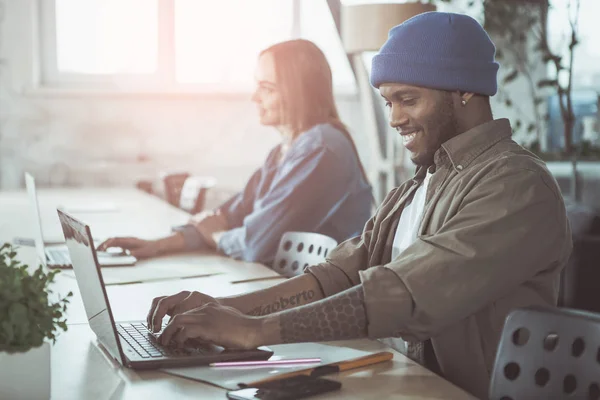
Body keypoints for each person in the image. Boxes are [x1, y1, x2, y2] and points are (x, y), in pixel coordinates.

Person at [143, 12, 572, 398]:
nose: (393, 118)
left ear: (464, 91)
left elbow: (403, 295)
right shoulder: (423, 181)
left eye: (408, 99)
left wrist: (254, 330)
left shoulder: (517, 185)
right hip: (392, 378)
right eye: (388, 102)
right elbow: (336, 276)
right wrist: (227, 309)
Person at [99, 40, 372, 266]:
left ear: (297, 92)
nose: (255, 97)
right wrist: (157, 245)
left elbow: (255, 244)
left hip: (317, 302)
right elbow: (232, 213)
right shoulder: (284, 150)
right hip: (282, 285)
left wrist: (217, 235)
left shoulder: (320, 149)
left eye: (266, 88)